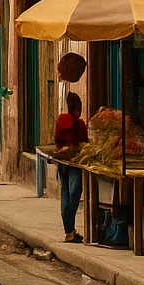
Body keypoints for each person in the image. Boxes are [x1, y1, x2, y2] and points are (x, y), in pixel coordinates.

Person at [53, 91, 90, 244]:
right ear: (77, 108)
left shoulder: (62, 120)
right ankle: (70, 230)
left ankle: (69, 231)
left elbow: (59, 140)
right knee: (74, 195)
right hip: (74, 164)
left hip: (62, 163)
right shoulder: (78, 123)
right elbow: (81, 143)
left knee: (65, 195)